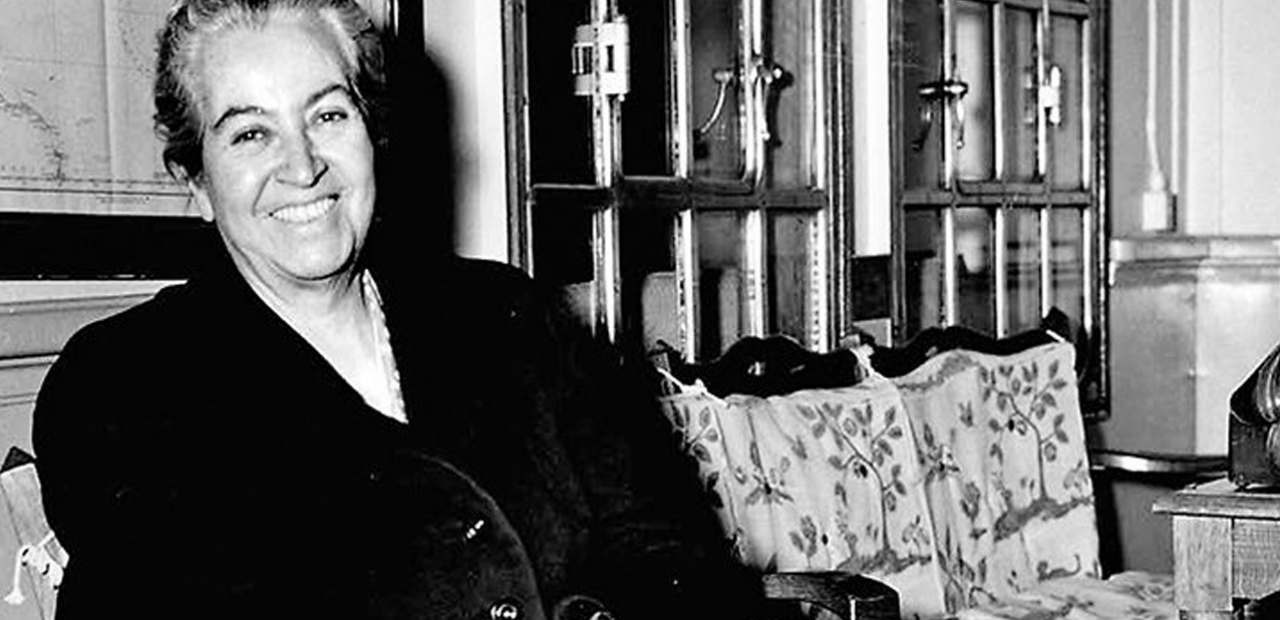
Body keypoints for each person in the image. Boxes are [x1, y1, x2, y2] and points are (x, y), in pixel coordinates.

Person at [31, 1, 760, 618]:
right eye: (251, 133)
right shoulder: (126, 385)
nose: (303, 166)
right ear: (196, 181)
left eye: (328, 115)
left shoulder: (509, 319)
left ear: (373, 135)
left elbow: (669, 555)